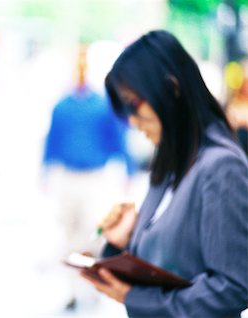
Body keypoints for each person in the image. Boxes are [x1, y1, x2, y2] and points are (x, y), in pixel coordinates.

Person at [81, 30, 248, 316]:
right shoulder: (173, 161)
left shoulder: (221, 167)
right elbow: (167, 267)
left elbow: (233, 287)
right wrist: (125, 242)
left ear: (172, 88)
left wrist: (138, 299)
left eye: (134, 104)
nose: (132, 121)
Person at [42, 44, 136, 310]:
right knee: (69, 234)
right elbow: (52, 139)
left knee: (92, 234)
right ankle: (72, 289)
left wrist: (127, 168)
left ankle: (93, 287)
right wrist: (45, 171)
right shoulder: (63, 105)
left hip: (94, 177)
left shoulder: (102, 104)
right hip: (68, 177)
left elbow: (118, 138)